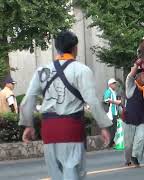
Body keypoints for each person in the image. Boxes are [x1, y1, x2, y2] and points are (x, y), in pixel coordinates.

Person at [19, 30, 112, 180]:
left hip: (48, 131)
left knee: (56, 176)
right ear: (75, 48)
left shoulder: (42, 70)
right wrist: (103, 126)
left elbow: (28, 99)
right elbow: (92, 101)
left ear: (57, 48)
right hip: (71, 130)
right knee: (73, 174)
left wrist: (28, 124)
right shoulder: (81, 70)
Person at [123, 60, 144, 167]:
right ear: (138, 77)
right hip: (129, 119)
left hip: (141, 119)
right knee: (128, 145)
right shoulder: (131, 86)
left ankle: (135, 157)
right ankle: (128, 159)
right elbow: (130, 76)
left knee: (141, 138)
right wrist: (137, 64)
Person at [103, 78, 121, 148]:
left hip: (115, 112)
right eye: (113, 83)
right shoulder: (108, 91)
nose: (115, 85)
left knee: (114, 128)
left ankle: (111, 142)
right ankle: (109, 143)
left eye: (115, 83)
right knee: (112, 128)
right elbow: (106, 100)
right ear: (110, 85)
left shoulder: (115, 92)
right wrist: (115, 102)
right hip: (110, 113)